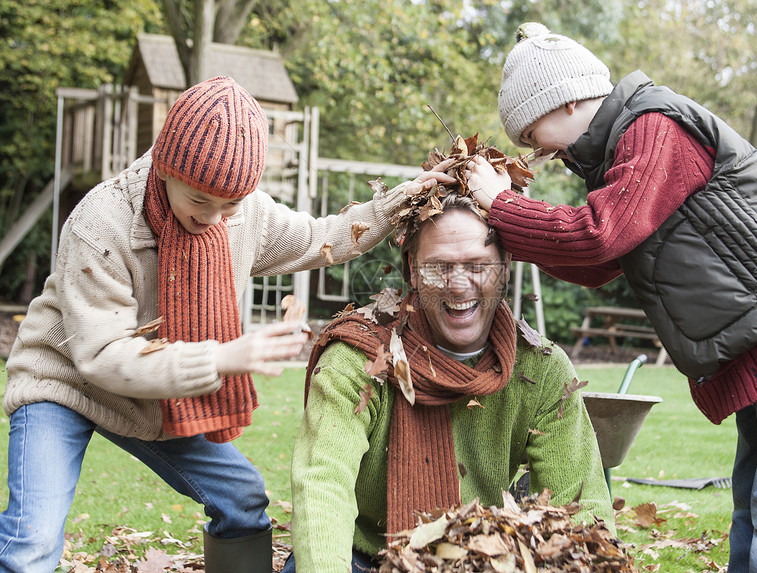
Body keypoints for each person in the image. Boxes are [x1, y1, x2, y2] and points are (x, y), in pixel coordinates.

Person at [0, 76, 455, 573]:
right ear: (166, 167)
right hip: (63, 383)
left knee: (242, 503)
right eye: (199, 200)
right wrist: (221, 357)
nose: (214, 217)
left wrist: (394, 205)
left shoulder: (245, 216)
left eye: (230, 204)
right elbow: (102, 356)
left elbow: (318, 237)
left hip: (155, 396)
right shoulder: (101, 223)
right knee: (33, 546)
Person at [466, 22, 757, 573]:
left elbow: (602, 234)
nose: (536, 155)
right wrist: (511, 226)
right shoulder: (621, 149)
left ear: (566, 101)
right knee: (754, 505)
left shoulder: (653, 126)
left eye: (532, 137)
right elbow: (601, 262)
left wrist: (504, 207)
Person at [283, 192, 614, 572]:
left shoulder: (541, 370)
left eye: (477, 265)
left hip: (474, 556)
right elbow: (323, 487)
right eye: (438, 266)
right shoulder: (358, 356)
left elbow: (580, 507)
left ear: (505, 267)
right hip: (360, 555)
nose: (458, 285)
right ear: (411, 268)